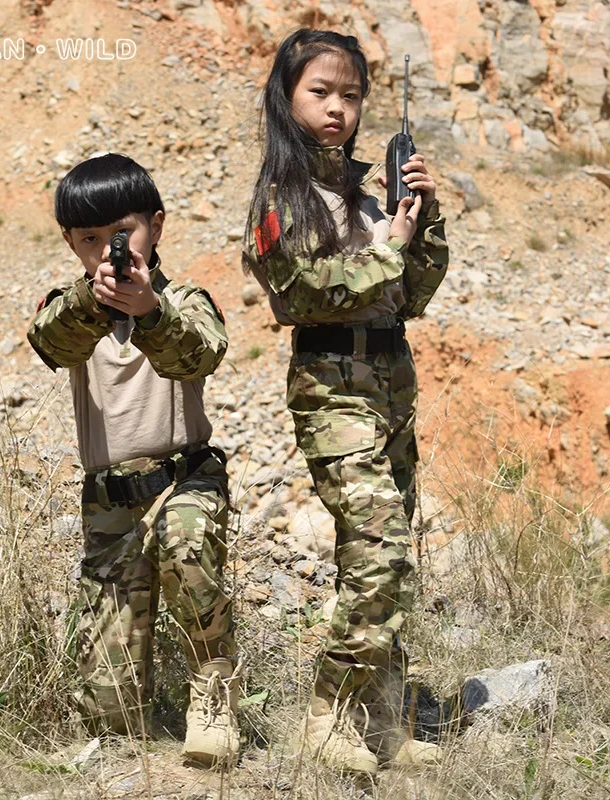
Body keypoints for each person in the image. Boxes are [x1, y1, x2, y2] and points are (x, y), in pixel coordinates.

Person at [242, 30, 449, 775]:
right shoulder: (282, 196)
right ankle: (326, 710)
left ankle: (383, 719)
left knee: (387, 561)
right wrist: (387, 246)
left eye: (351, 95)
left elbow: (413, 297)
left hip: (392, 379)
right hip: (331, 385)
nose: (337, 108)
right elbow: (300, 294)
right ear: (287, 99)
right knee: (378, 546)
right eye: (320, 92)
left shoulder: (369, 194)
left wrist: (423, 220)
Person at [27, 153, 240, 767]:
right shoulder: (72, 306)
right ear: (70, 243)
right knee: (110, 711)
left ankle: (214, 688)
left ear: (156, 226)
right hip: (110, 501)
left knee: (187, 543)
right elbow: (49, 340)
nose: (105, 250)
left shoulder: (186, 299)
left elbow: (199, 355)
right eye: (88, 239)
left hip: (185, 480)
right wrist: (99, 305)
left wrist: (148, 310)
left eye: (119, 233)